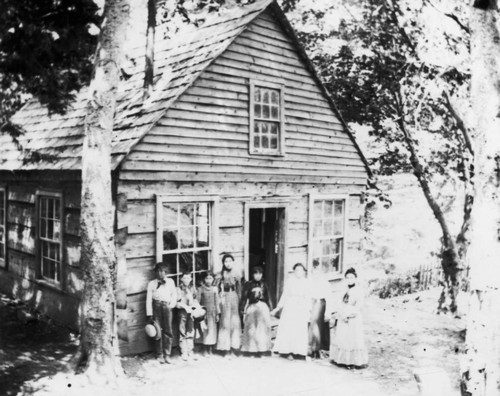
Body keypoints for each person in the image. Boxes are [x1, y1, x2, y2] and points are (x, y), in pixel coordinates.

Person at [330, 267, 368, 368]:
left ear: (355, 278)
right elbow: (340, 303)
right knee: (343, 337)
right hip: (343, 316)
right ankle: (342, 360)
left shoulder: (359, 290)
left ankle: (353, 362)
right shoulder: (344, 290)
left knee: (352, 338)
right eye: (347, 277)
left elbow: (358, 306)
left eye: (352, 277)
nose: (349, 279)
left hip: (353, 317)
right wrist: (341, 314)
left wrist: (349, 315)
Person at [271, 263, 311, 360]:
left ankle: (299, 352)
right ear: (294, 271)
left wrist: (309, 310)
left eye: (301, 270)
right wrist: (278, 308)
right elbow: (285, 296)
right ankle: (286, 350)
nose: (298, 272)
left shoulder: (306, 282)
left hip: (301, 307)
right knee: (289, 328)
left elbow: (308, 297)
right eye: (296, 270)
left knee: (299, 329)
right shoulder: (290, 281)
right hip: (290, 307)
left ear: (304, 272)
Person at [146, 263, 177, 364]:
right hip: (156, 307)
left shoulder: (171, 282)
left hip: (167, 306)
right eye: (158, 271)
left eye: (162, 271)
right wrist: (149, 314)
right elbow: (148, 300)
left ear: (165, 272)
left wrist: (171, 305)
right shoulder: (152, 284)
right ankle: (159, 354)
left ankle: (167, 353)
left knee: (168, 329)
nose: (160, 273)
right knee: (158, 330)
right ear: (155, 272)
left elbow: (174, 295)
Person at [216, 254, 241, 358]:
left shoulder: (236, 273)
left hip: (234, 296)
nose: (228, 263)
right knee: (225, 322)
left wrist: (239, 299)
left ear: (233, 262)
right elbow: (216, 288)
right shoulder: (220, 274)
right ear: (223, 263)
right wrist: (219, 297)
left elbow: (239, 287)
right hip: (224, 297)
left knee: (234, 322)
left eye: (230, 261)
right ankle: (225, 349)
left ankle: (234, 347)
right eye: (226, 261)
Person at [241, 282, 272, 356]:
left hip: (262, 311)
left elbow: (268, 299)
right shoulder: (248, 285)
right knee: (251, 330)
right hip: (252, 310)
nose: (257, 294)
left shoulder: (264, 285)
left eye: (260, 273)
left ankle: (262, 350)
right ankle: (252, 350)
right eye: (256, 274)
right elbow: (245, 299)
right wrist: (244, 311)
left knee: (261, 330)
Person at [308, 259, 331, 359]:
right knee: (313, 326)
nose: (315, 273)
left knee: (319, 326)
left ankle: (319, 349)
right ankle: (313, 349)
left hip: (321, 303)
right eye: (314, 271)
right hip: (312, 303)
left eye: (318, 271)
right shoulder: (310, 282)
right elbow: (308, 296)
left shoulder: (325, 283)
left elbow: (329, 298)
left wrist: (328, 312)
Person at [176, 271, 198, 361]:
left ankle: (190, 350)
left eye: (188, 278)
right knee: (182, 331)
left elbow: (195, 300)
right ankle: (183, 351)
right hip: (182, 311)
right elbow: (177, 302)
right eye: (184, 278)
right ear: (181, 279)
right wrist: (185, 307)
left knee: (190, 330)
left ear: (191, 279)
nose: (186, 280)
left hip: (191, 311)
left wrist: (193, 309)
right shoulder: (178, 289)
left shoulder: (192, 288)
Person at [197, 272, 220, 356]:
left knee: (212, 331)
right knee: (205, 331)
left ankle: (210, 349)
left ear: (213, 279)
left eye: (210, 278)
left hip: (213, 313)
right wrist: (199, 313)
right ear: (204, 279)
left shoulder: (215, 289)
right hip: (204, 313)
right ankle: (205, 349)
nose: (208, 280)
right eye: (207, 278)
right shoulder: (200, 289)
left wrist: (217, 313)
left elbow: (217, 302)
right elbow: (197, 302)